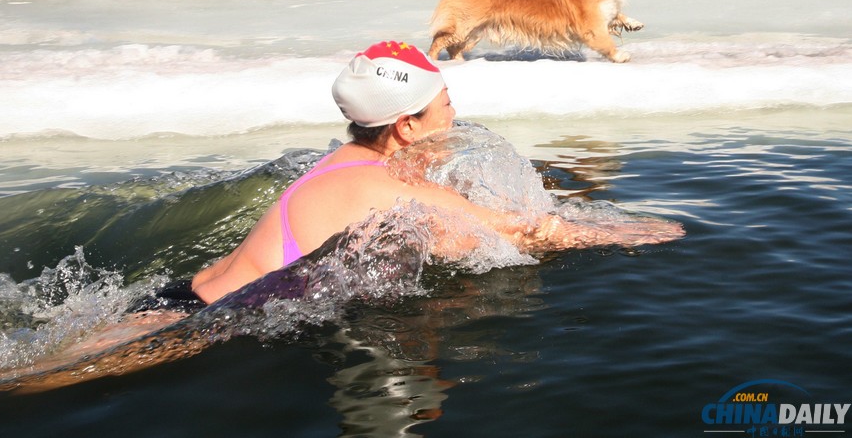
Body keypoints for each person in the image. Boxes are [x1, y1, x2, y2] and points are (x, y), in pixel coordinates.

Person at [190, 41, 682, 304]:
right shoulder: (384, 186)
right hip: (208, 321)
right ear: (406, 126)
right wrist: (625, 232)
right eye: (445, 104)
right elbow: (523, 233)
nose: (454, 115)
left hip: (193, 291)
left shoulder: (346, 160)